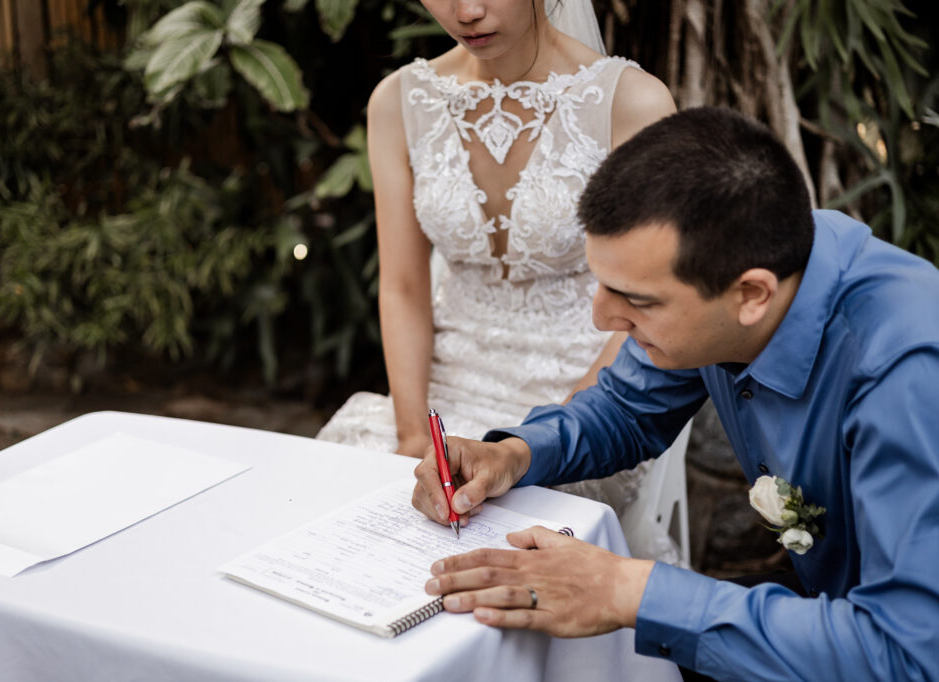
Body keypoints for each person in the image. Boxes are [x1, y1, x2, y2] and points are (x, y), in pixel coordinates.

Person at [411, 106, 939, 681]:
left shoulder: (905, 373)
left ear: (751, 295)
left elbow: (907, 653)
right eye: (601, 285)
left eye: (636, 300)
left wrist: (626, 590)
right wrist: (514, 454)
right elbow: (624, 409)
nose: (602, 320)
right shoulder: (755, 262)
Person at [316, 0, 682, 561]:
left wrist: (565, 433)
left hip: (579, 395)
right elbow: (404, 287)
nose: (468, 11)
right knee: (342, 528)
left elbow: (646, 302)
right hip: (439, 390)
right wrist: (415, 436)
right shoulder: (399, 101)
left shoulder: (630, 102)